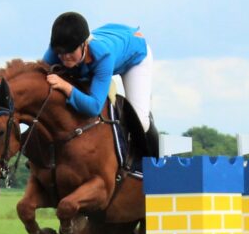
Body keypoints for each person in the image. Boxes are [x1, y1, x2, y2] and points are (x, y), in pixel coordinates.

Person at [40, 11, 160, 157]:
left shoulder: (103, 57)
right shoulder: (56, 50)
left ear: (84, 44)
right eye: (60, 52)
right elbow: (39, 74)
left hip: (135, 56)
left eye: (70, 51)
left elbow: (94, 107)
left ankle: (153, 164)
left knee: (141, 121)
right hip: (113, 40)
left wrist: (66, 86)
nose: (64, 57)